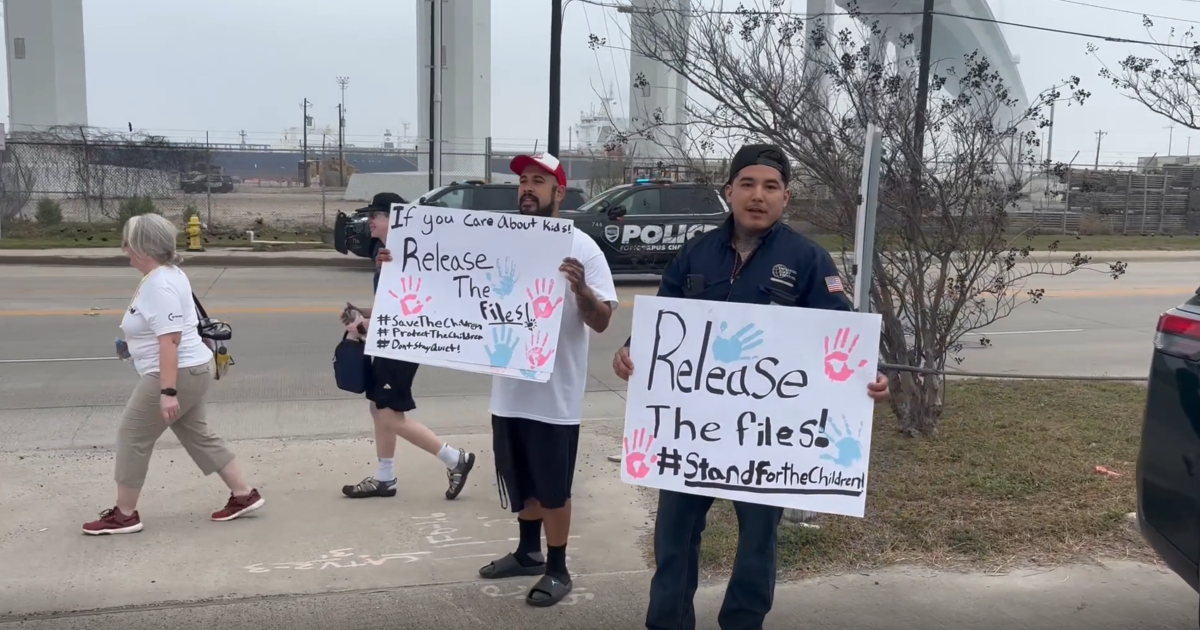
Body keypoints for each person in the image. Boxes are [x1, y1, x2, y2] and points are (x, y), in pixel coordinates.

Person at [611, 144, 892, 630]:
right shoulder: (695, 252)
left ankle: (743, 623)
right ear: (729, 193)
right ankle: (668, 622)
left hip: (766, 439)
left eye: (769, 187)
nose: (757, 196)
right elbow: (663, 325)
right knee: (674, 538)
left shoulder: (808, 260)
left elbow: (840, 338)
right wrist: (631, 350)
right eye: (747, 184)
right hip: (689, 434)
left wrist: (869, 375)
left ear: (786, 198)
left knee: (757, 541)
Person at [376, 153, 618, 607]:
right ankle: (528, 552)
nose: (527, 188)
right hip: (508, 392)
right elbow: (444, 282)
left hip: (554, 395)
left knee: (552, 488)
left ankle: (558, 566)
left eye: (538, 181)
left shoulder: (581, 247)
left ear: (558, 192)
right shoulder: (498, 241)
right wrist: (399, 266)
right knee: (519, 479)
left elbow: (602, 321)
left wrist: (582, 291)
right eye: (523, 181)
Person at [84, 214, 264, 535]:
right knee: (197, 433)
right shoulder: (169, 273)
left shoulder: (160, 283)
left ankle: (125, 515)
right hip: (193, 368)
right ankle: (244, 494)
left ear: (143, 247)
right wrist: (132, 345)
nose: (124, 248)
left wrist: (168, 393)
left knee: (133, 437)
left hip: (175, 373)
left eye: (128, 242)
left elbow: (170, 341)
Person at [340, 192, 476, 500]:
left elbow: (416, 309)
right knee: (378, 409)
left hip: (403, 345)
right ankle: (384, 478)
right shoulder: (389, 253)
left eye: (377, 214)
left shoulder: (412, 255)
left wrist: (366, 326)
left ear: (397, 218)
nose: (370, 220)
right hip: (390, 342)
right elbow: (391, 305)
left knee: (389, 414)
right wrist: (363, 314)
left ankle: (455, 459)